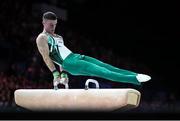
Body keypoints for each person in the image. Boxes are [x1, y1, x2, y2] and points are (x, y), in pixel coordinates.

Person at [36, 11, 151, 90]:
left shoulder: (58, 37)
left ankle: (135, 74)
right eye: (51, 25)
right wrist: (55, 73)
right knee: (103, 72)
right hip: (70, 63)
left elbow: (61, 54)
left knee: (107, 66)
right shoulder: (42, 38)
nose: (53, 27)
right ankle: (134, 79)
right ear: (43, 23)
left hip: (75, 57)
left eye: (55, 24)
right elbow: (46, 57)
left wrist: (64, 74)